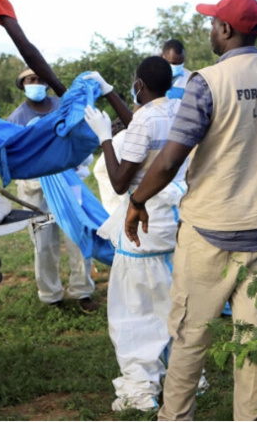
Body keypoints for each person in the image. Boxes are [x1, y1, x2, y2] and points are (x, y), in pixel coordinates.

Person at [123, 0, 257, 420]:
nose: (210, 30)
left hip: (209, 232)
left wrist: (137, 201)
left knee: (190, 336)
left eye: (213, 24)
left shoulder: (205, 82)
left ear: (226, 30)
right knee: (254, 344)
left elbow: (170, 159)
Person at [83, 59, 192, 412]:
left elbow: (118, 181)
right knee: (173, 304)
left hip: (142, 225)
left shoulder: (145, 119)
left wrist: (104, 138)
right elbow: (143, 125)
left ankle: (140, 389)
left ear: (140, 85)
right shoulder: (177, 108)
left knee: (133, 312)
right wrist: (109, 92)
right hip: (174, 226)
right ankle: (188, 378)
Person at [7, 68, 98, 313]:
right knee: (44, 243)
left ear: (47, 83)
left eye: (39, 79)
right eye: (30, 80)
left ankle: (82, 290)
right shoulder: (17, 118)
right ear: (22, 84)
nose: (35, 83)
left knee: (77, 237)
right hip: (36, 194)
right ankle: (51, 295)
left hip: (69, 188)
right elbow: (14, 156)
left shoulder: (62, 106)